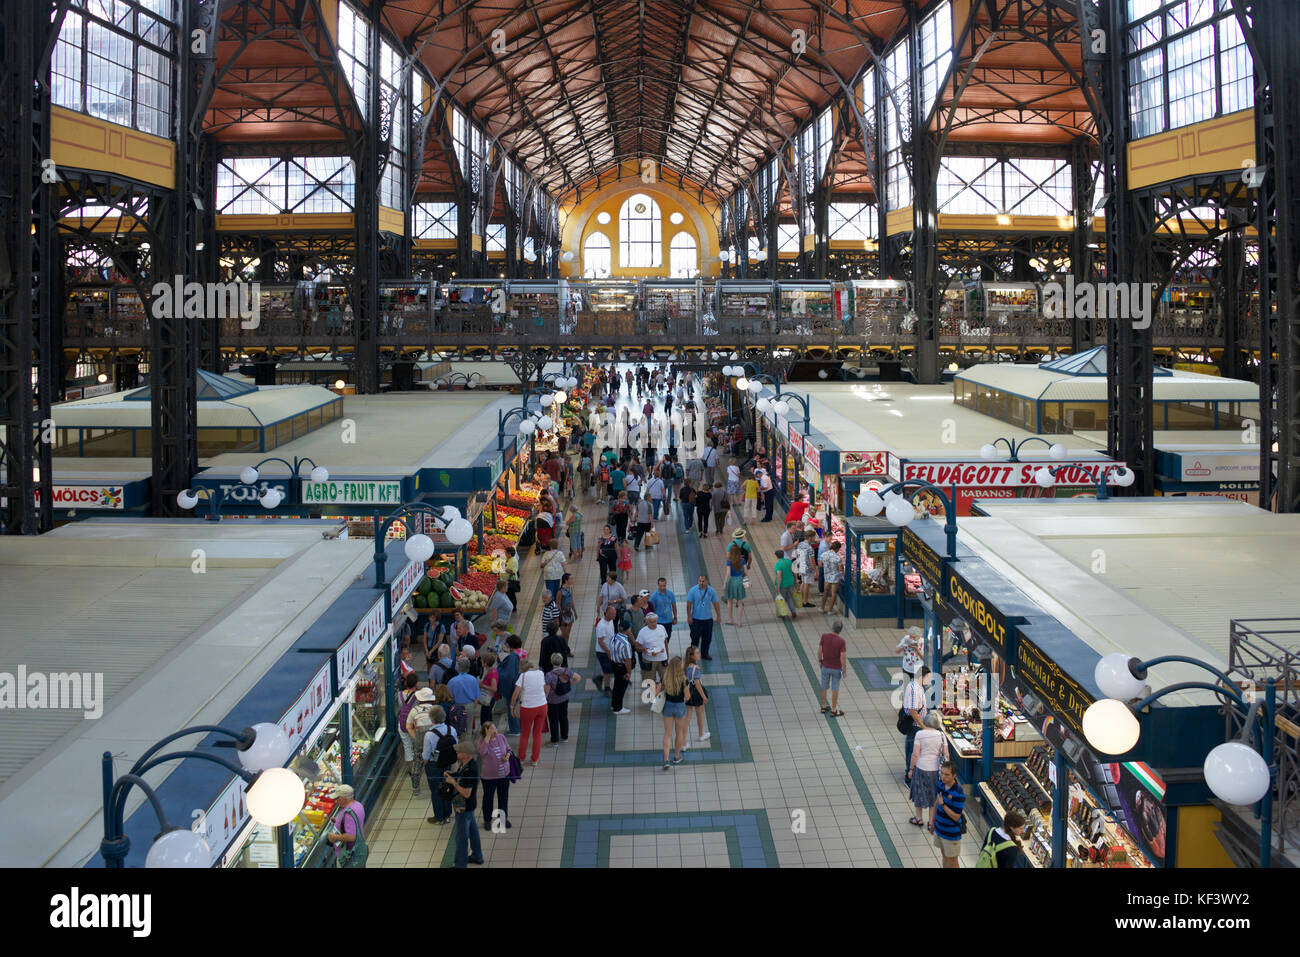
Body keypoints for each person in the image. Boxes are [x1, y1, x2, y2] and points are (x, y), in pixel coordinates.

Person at [445, 740, 484, 867]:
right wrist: (454, 775)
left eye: (459, 751)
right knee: (473, 831)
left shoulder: (470, 770)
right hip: (469, 806)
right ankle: (477, 856)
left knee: (461, 838)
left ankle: (460, 864)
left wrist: (453, 782)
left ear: (466, 754)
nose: (456, 752)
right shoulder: (466, 764)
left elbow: (466, 793)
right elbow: (462, 777)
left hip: (464, 807)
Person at [908, 712, 950, 829]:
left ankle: (919, 818)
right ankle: (931, 822)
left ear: (926, 722)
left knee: (918, 792)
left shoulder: (920, 734)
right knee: (933, 796)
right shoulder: (942, 735)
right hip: (936, 770)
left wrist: (911, 769)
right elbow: (946, 754)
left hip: (921, 768)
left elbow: (915, 754)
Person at [422, 705, 458, 824]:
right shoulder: (451, 729)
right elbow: (456, 745)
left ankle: (439, 817)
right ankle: (447, 815)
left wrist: (424, 764)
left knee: (436, 791)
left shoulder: (429, 734)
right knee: (447, 788)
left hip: (434, 765)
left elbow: (426, 756)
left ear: (431, 719)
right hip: (448, 763)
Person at [512, 660, 548, 766]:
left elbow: (515, 694)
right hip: (542, 706)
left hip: (528, 708)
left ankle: (521, 758)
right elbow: (546, 689)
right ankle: (534, 760)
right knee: (537, 734)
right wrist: (542, 699)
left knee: (525, 734)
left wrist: (511, 706)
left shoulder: (522, 676)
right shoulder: (541, 673)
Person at [477, 721, 512, 832]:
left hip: (504, 775)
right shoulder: (482, 741)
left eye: (495, 728)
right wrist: (487, 737)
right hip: (488, 777)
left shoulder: (501, 737)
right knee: (488, 798)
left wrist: (507, 756)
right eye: (492, 730)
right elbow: (482, 752)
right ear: (486, 731)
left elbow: (509, 749)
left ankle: (503, 818)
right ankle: (487, 820)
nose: (495, 731)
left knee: (503, 797)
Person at [656, 656, 690, 770]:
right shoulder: (684, 679)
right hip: (680, 707)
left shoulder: (665, 677)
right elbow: (688, 697)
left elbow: (657, 691)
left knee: (667, 734)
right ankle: (676, 757)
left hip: (668, 706)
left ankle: (666, 760)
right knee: (679, 732)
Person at [933, 761, 965, 868]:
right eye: (942, 773)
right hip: (939, 829)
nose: (943, 777)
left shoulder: (959, 793)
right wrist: (932, 822)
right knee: (944, 856)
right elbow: (936, 803)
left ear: (954, 775)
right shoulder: (940, 784)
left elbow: (956, 817)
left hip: (951, 834)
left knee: (952, 860)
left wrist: (943, 805)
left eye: (947, 775)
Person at [903, 666, 932, 785]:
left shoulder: (916, 686)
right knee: (912, 751)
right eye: (928, 678)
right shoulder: (915, 689)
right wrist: (923, 726)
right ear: (922, 676)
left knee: (913, 750)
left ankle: (911, 774)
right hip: (915, 726)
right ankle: (909, 779)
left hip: (916, 726)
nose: (929, 681)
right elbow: (913, 711)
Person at [544, 652, 580, 745]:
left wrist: (544, 699)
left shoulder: (549, 675)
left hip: (552, 701)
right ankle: (564, 737)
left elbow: (547, 691)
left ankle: (555, 740)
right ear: (561, 661)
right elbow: (578, 677)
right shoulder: (566, 671)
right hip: (564, 698)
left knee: (553, 720)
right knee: (563, 717)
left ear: (552, 662)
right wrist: (569, 686)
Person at [325, 784, 366, 864]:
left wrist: (334, 837)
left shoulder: (348, 813)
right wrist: (338, 822)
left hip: (348, 855)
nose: (336, 801)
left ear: (343, 798)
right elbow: (355, 823)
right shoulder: (358, 805)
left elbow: (351, 836)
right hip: (358, 849)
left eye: (337, 798)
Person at [395, 672, 422, 792]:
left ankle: (412, 771)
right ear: (416, 683)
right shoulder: (417, 696)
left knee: (407, 747)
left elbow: (398, 709)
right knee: (416, 746)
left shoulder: (399, 694)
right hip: (414, 726)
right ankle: (419, 767)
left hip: (402, 725)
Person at [685, 574, 721, 660]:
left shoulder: (711, 591)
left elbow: (715, 603)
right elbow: (689, 604)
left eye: (703, 581)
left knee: (707, 638)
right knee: (695, 638)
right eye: (699, 581)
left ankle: (704, 654)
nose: (701, 583)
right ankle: (693, 655)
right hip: (696, 619)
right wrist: (689, 616)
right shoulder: (693, 590)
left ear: (707, 581)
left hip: (707, 619)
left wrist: (718, 615)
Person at [818, 620, 848, 717]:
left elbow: (819, 650)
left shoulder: (824, 636)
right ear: (840, 630)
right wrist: (844, 670)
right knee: (835, 688)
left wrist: (820, 661)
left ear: (832, 627)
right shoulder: (841, 641)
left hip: (825, 666)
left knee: (824, 686)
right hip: (836, 669)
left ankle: (823, 706)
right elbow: (842, 657)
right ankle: (834, 710)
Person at [606, 617, 635, 714]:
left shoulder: (614, 637)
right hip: (621, 667)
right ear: (627, 629)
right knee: (621, 688)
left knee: (616, 686)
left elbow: (610, 651)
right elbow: (628, 661)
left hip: (614, 664)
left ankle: (614, 705)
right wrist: (629, 672)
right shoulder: (626, 644)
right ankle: (618, 708)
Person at [683, 644, 710, 744]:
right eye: (697, 653)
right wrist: (704, 697)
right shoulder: (696, 668)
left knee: (687, 718)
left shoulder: (685, 666)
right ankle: (701, 734)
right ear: (692, 656)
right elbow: (697, 683)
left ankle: (683, 742)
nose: (699, 654)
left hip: (688, 692)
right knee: (700, 715)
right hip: (697, 694)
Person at [497, 634, 523, 735]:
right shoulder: (516, 654)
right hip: (515, 684)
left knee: (511, 706)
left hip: (511, 686)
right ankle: (518, 727)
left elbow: (509, 674)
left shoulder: (512, 657)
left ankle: (515, 729)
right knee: (515, 705)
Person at [635, 611, 670, 684]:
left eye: (655, 621)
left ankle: (662, 693)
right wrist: (643, 649)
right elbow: (637, 646)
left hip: (662, 658)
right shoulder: (642, 631)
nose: (653, 624)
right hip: (649, 660)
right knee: (649, 682)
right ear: (647, 621)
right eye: (651, 622)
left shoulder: (661, 628)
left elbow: (665, 641)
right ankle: (651, 694)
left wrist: (667, 654)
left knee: (666, 680)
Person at [593, 604, 617, 695]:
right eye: (613, 614)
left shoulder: (610, 621)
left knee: (609, 670)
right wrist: (608, 652)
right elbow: (600, 641)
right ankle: (607, 688)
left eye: (615, 613)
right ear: (607, 614)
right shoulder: (602, 626)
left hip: (608, 650)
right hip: (602, 652)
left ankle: (599, 679)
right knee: (608, 671)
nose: (615, 615)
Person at [723, 541, 747, 626]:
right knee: (740, 603)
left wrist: (725, 583)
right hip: (739, 581)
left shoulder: (729, 561)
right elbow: (746, 572)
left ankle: (731, 619)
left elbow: (728, 573)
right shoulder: (742, 560)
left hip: (731, 581)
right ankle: (739, 621)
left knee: (729, 601)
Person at [648, 577, 677, 645]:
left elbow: (674, 606)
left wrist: (675, 617)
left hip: (669, 621)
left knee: (668, 638)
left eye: (664, 585)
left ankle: (665, 653)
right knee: (659, 639)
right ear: (658, 585)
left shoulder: (670, 594)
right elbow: (651, 610)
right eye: (661, 586)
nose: (663, 588)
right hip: (659, 621)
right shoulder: (654, 596)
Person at [795, 530, 819, 608]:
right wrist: (816, 571)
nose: (814, 538)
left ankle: (798, 599)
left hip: (801, 566)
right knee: (806, 584)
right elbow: (812, 561)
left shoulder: (800, 544)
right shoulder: (809, 548)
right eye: (813, 537)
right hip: (808, 569)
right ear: (810, 538)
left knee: (803, 582)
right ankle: (805, 602)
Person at [774, 548, 798, 620]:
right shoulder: (789, 561)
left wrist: (778, 587)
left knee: (782, 599)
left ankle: (782, 614)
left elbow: (779, 577)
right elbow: (794, 572)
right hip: (790, 582)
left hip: (783, 585)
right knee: (789, 597)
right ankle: (793, 611)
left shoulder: (778, 564)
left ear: (777, 556)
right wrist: (795, 581)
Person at [820, 540, 844, 613]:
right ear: (837, 549)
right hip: (835, 577)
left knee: (825, 592)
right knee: (833, 594)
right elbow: (841, 569)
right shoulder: (837, 557)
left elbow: (820, 564)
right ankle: (830, 610)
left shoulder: (824, 554)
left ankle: (822, 608)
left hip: (827, 576)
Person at [557, 572, 576, 641]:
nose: (573, 580)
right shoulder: (560, 591)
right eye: (571, 579)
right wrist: (561, 615)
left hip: (569, 613)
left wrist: (575, 612)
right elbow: (558, 604)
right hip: (562, 614)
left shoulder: (570, 589)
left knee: (567, 635)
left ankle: (566, 650)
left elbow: (571, 601)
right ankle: (555, 640)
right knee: (565, 634)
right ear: (566, 580)